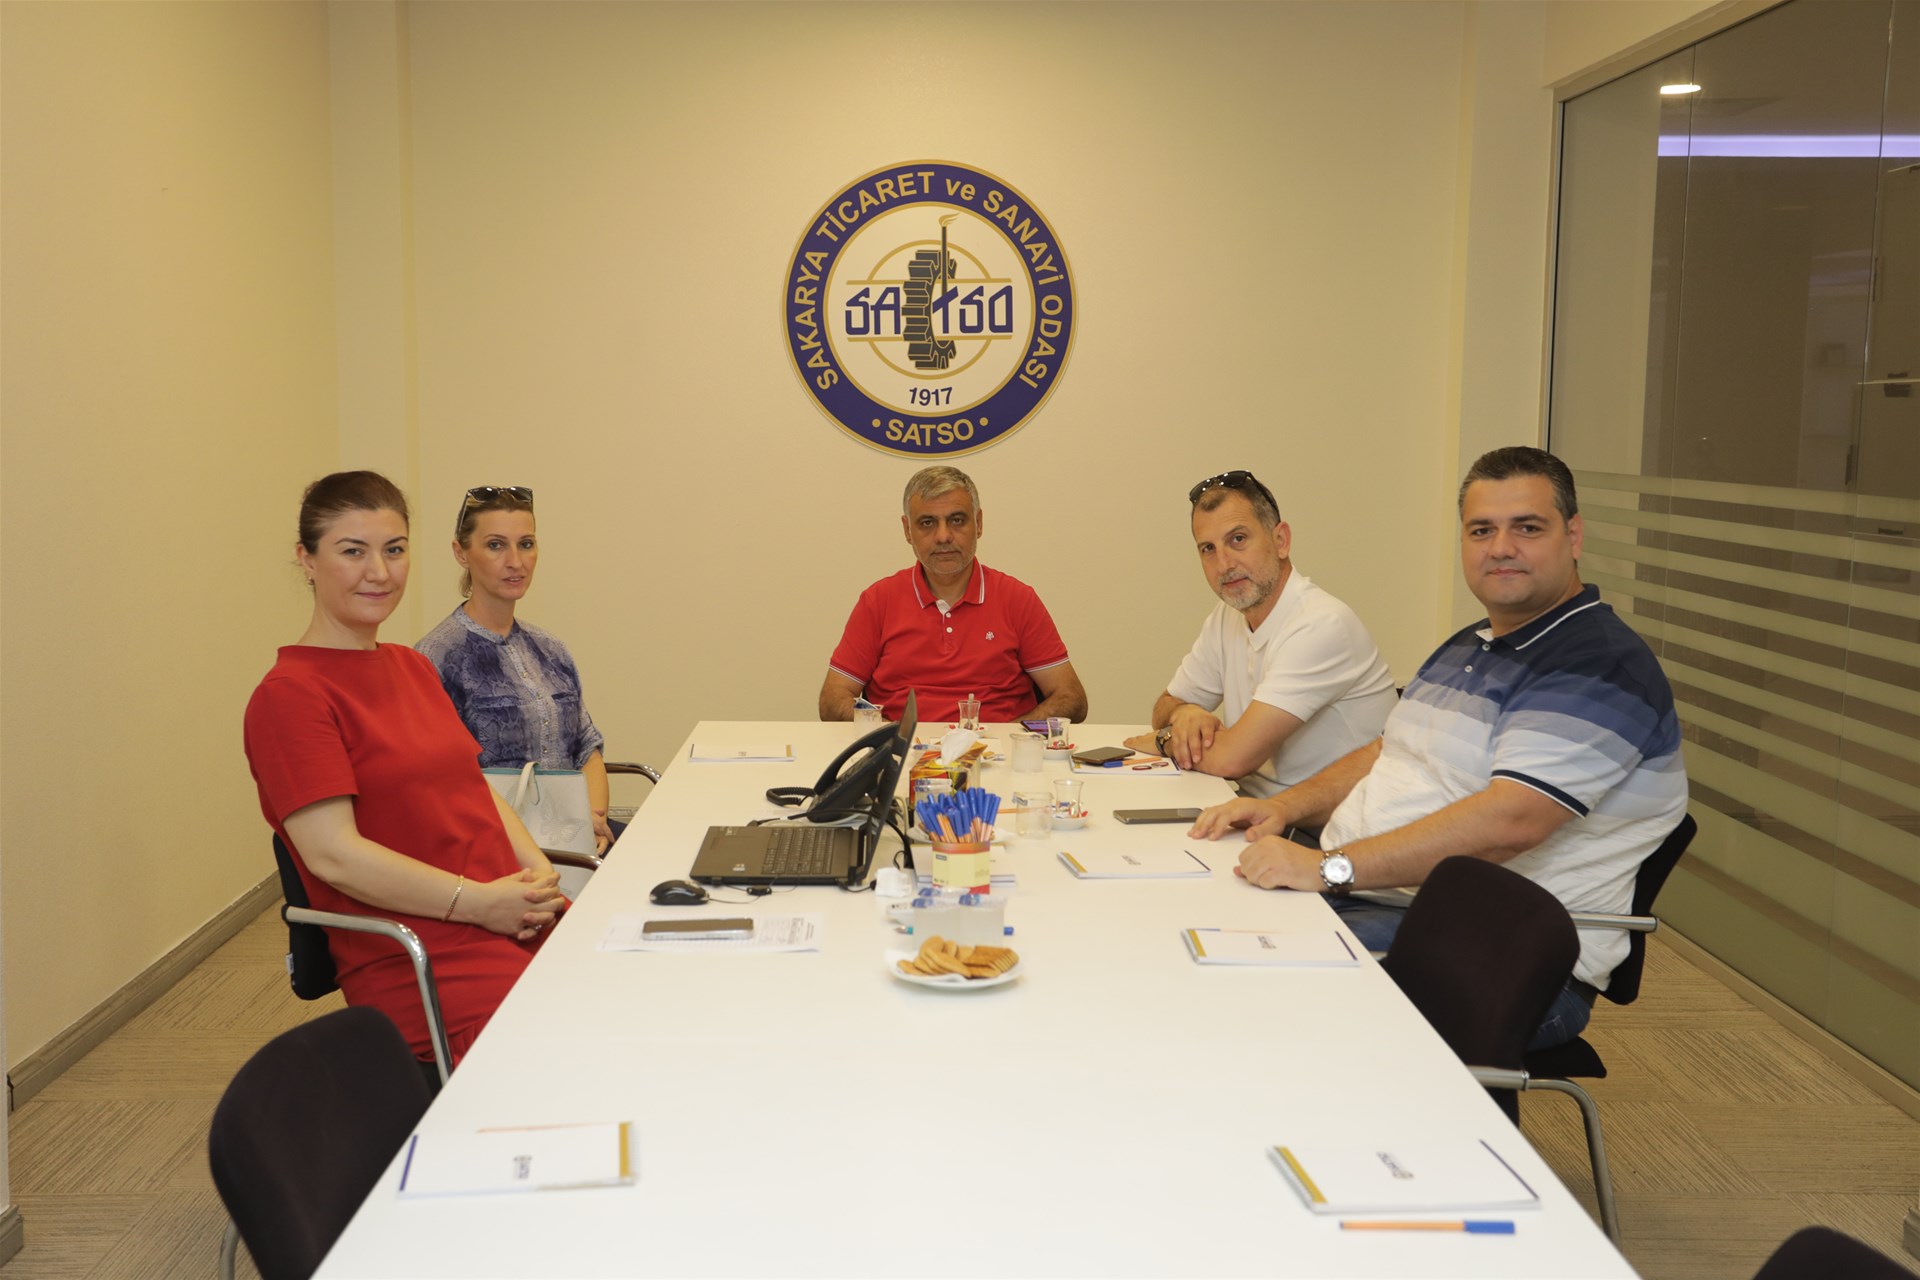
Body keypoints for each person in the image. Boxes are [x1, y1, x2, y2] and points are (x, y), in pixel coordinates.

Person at [1190, 447, 1686, 1049]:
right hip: (1389, 901)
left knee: (1237, 997)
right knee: (1194, 931)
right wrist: (1283, 808)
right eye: (1481, 530)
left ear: (1574, 535)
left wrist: (1328, 868)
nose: (1500, 547)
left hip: (1501, 951)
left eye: (1527, 528)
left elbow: (1511, 822)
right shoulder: (1469, 645)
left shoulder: (1597, 666)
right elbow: (1386, 751)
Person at [244, 471, 565, 1069]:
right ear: (307, 559)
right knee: (578, 1052)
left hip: (509, 912)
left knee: (646, 994)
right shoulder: (290, 696)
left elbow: (472, 787)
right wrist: (481, 904)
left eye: (393, 550)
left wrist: (537, 870)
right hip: (425, 955)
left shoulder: (411, 667)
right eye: (353, 551)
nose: (380, 572)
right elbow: (334, 856)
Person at [1122, 470, 1396, 796]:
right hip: (1257, 808)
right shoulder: (1226, 616)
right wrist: (1185, 713)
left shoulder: (1321, 624)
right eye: (1208, 548)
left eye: (1238, 539)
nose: (1224, 564)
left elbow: (1233, 759)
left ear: (1281, 541)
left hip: (1326, 822)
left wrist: (1164, 740)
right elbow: (1165, 705)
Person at [416, 485, 618, 853]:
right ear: (461, 552)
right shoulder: (437, 656)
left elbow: (587, 748)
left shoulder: (551, 648)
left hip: (579, 834)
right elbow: (445, 784)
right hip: (500, 848)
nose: (515, 561)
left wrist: (592, 820)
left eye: (526, 544)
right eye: (495, 545)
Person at [819, 465, 1089, 724]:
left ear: (979, 523)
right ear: (907, 530)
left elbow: (1071, 698)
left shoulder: (1017, 599)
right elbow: (833, 699)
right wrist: (887, 734)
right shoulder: (878, 601)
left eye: (957, 520)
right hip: (903, 748)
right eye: (927, 523)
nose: (943, 536)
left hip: (996, 751)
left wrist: (1011, 737)